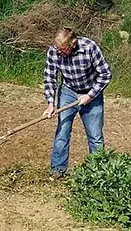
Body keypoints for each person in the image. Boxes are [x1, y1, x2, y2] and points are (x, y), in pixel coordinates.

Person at [43, 27, 112, 179]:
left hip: (90, 92)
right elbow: (50, 78)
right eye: (58, 49)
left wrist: (90, 95)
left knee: (95, 135)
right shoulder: (54, 51)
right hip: (68, 91)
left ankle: (98, 172)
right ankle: (58, 170)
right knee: (62, 131)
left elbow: (105, 74)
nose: (60, 52)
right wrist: (50, 103)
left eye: (63, 49)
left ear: (73, 44)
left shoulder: (89, 47)